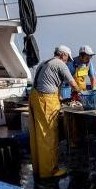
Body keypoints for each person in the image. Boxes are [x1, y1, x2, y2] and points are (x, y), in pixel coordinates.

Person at [29, 45, 80, 178]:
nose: (67, 61)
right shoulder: (60, 64)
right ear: (63, 55)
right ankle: (49, 171)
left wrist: (59, 98)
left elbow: (46, 82)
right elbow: (73, 84)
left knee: (38, 134)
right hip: (46, 100)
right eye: (67, 58)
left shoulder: (44, 63)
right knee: (48, 135)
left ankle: (39, 168)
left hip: (34, 97)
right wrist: (79, 94)